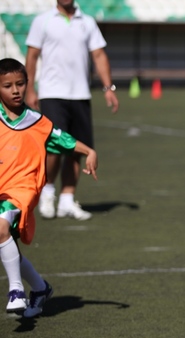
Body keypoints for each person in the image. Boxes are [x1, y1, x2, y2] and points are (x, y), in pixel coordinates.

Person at [0, 58, 98, 318]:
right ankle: (41, 289)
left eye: (20, 84)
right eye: (8, 86)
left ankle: (16, 290)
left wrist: (87, 150)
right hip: (1, 189)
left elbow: (62, 139)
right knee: (5, 242)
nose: (16, 90)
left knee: (0, 227)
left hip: (23, 188)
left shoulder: (35, 121)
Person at [25, 0, 119, 221]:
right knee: (55, 148)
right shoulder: (43, 21)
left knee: (78, 150)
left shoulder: (87, 22)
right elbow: (32, 56)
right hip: (51, 94)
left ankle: (67, 199)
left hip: (81, 94)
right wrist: (30, 89)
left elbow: (98, 55)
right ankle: (47, 192)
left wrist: (108, 88)